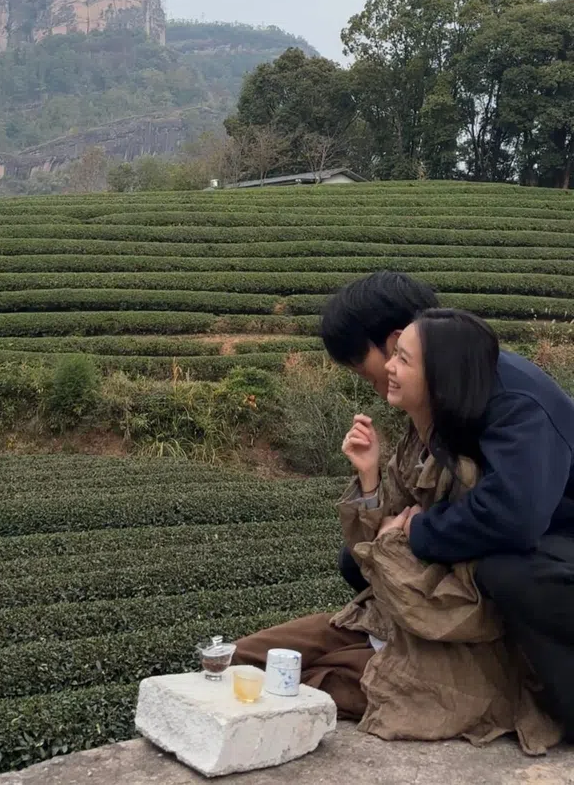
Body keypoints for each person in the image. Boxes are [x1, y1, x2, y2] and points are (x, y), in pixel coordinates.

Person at [233, 308, 561, 751]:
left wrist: (407, 535)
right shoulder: (424, 436)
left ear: (441, 378)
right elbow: (374, 543)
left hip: (432, 642)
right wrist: (370, 481)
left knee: (305, 684)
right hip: (386, 618)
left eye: (403, 359)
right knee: (243, 658)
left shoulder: (487, 458)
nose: (387, 368)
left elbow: (468, 584)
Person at [321, 271, 574, 739]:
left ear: (397, 344)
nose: (378, 381)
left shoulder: (511, 397)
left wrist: (417, 532)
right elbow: (410, 501)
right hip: (526, 535)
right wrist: (376, 490)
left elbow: (515, 516)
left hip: (554, 539)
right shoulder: (443, 394)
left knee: (506, 573)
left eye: (368, 369)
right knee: (360, 562)